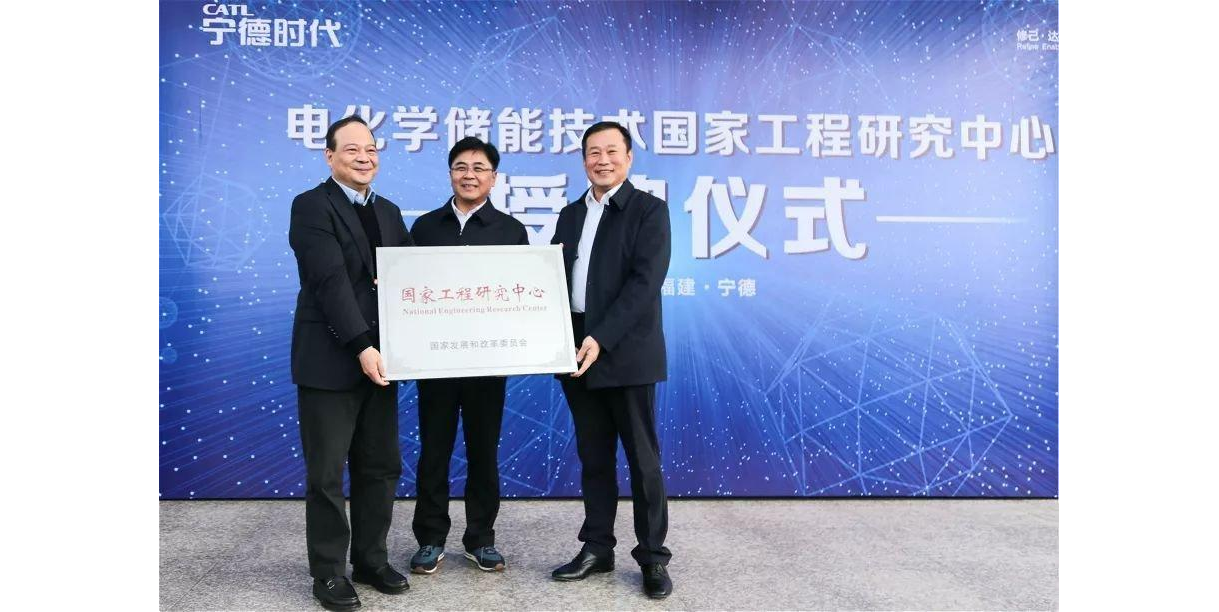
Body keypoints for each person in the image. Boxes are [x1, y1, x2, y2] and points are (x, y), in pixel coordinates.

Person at [288, 115, 413, 611]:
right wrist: (362, 345)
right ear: (330, 156)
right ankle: (328, 572)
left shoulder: (390, 212)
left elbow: (410, 279)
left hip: (384, 361)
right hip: (332, 360)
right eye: (352, 149)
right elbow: (329, 281)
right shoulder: (311, 206)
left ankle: (371, 559)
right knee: (326, 473)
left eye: (372, 149)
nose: (364, 157)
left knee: (380, 466)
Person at [549, 122, 674, 599]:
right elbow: (551, 278)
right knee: (594, 455)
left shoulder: (648, 210)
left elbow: (645, 283)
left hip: (626, 350)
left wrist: (601, 336)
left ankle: (653, 557)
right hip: (576, 350)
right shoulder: (570, 215)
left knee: (642, 459)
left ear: (628, 158)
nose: (602, 160)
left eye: (611, 151)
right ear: (583, 160)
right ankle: (598, 548)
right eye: (593, 153)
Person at [406, 137, 529, 575]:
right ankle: (430, 538)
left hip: (487, 364)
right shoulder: (424, 228)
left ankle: (481, 539)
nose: (469, 175)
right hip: (435, 362)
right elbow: (408, 292)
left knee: (483, 452)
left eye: (479, 168)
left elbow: (522, 298)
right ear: (450, 174)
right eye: (461, 167)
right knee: (433, 451)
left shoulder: (511, 231)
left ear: (494, 178)